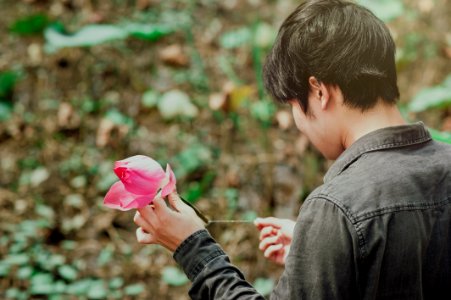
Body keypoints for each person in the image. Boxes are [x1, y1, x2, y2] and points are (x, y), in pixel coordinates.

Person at [132, 0, 451, 299]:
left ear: (319, 91)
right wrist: (317, 247)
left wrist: (192, 246)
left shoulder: (338, 207)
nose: (298, 121)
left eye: (294, 107)